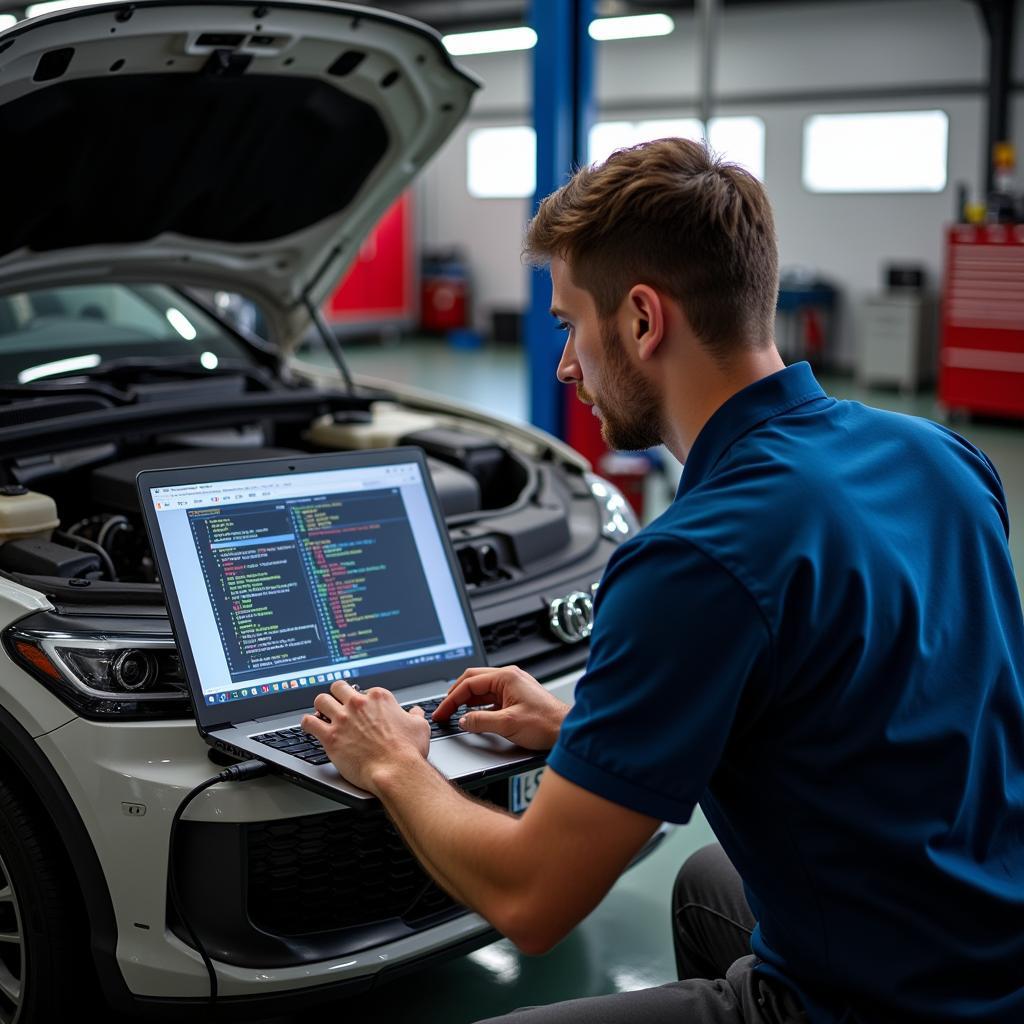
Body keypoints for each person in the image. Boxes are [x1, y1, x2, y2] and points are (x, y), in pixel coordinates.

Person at [302, 137, 1024, 1023]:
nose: (566, 364)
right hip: (993, 947)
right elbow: (862, 702)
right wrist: (586, 724)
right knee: (708, 883)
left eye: (570, 322)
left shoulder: (695, 557)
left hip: (885, 1004)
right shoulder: (942, 455)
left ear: (643, 320)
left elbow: (534, 900)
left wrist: (392, 764)